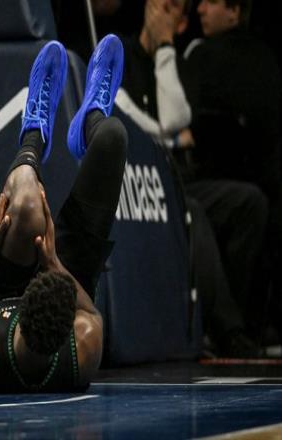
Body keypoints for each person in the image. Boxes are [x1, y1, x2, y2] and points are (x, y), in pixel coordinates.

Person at [0, 35, 128, 392]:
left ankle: (33, 136)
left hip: (3, 287)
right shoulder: (84, 343)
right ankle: (91, 120)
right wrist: (54, 264)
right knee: (113, 138)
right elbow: (91, 313)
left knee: (26, 200)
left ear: (20, 315)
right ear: (69, 327)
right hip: (69, 273)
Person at [115, 0, 262, 357]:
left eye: (172, 7)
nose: (160, 9)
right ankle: (230, 333)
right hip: (138, 183)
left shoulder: (182, 65)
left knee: (249, 202)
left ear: (180, 24)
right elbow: (130, 120)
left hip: (179, 177)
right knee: (191, 211)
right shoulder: (118, 55)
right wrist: (169, 138)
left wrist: (165, 50)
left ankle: (240, 322)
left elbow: (175, 119)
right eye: (158, 2)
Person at [183, 0, 280, 345]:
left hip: (220, 180)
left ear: (235, 11)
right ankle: (236, 328)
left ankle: (232, 329)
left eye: (211, 2)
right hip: (238, 187)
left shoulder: (206, 55)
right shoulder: (267, 58)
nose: (200, 10)